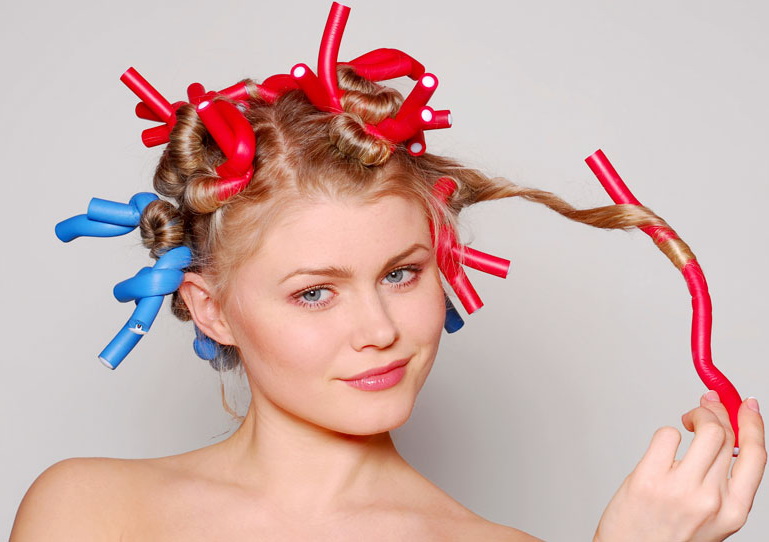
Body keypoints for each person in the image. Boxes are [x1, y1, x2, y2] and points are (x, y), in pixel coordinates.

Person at [10, 3, 766, 540]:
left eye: (402, 275)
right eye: (315, 292)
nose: (379, 331)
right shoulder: (89, 512)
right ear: (210, 308)